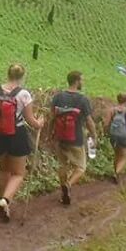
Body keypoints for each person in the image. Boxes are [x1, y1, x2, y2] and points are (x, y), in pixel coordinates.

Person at [0, 64, 43, 222]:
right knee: (18, 173)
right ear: (22, 77)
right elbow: (31, 121)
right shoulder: (24, 94)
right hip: (16, 136)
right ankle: (5, 200)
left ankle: (3, 202)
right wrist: (40, 122)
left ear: (7, 74)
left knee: (4, 170)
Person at [48, 70, 97, 206]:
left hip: (60, 138)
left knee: (62, 165)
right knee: (81, 167)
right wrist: (94, 135)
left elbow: (52, 118)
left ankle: (64, 191)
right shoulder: (83, 99)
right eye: (82, 80)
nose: (83, 82)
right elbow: (89, 121)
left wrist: (49, 134)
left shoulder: (58, 97)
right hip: (76, 139)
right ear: (77, 81)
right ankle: (68, 184)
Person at [103, 93, 126, 184]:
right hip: (124, 136)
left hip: (113, 135)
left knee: (117, 154)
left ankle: (116, 172)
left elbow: (106, 124)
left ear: (117, 99)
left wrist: (106, 133)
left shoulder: (112, 110)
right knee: (123, 157)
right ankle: (117, 173)